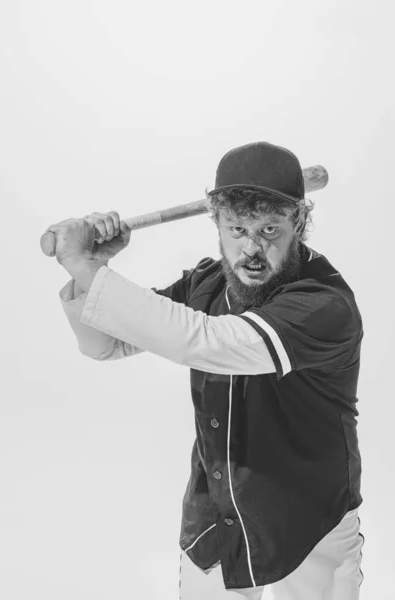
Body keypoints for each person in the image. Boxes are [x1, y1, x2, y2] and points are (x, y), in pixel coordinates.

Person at [52, 142, 365, 599]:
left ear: (298, 222)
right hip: (218, 522)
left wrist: (83, 264)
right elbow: (104, 343)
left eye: (270, 229)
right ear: (215, 221)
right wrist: (91, 271)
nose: (252, 248)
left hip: (311, 523)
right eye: (237, 228)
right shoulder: (207, 283)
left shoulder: (324, 303)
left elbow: (205, 341)